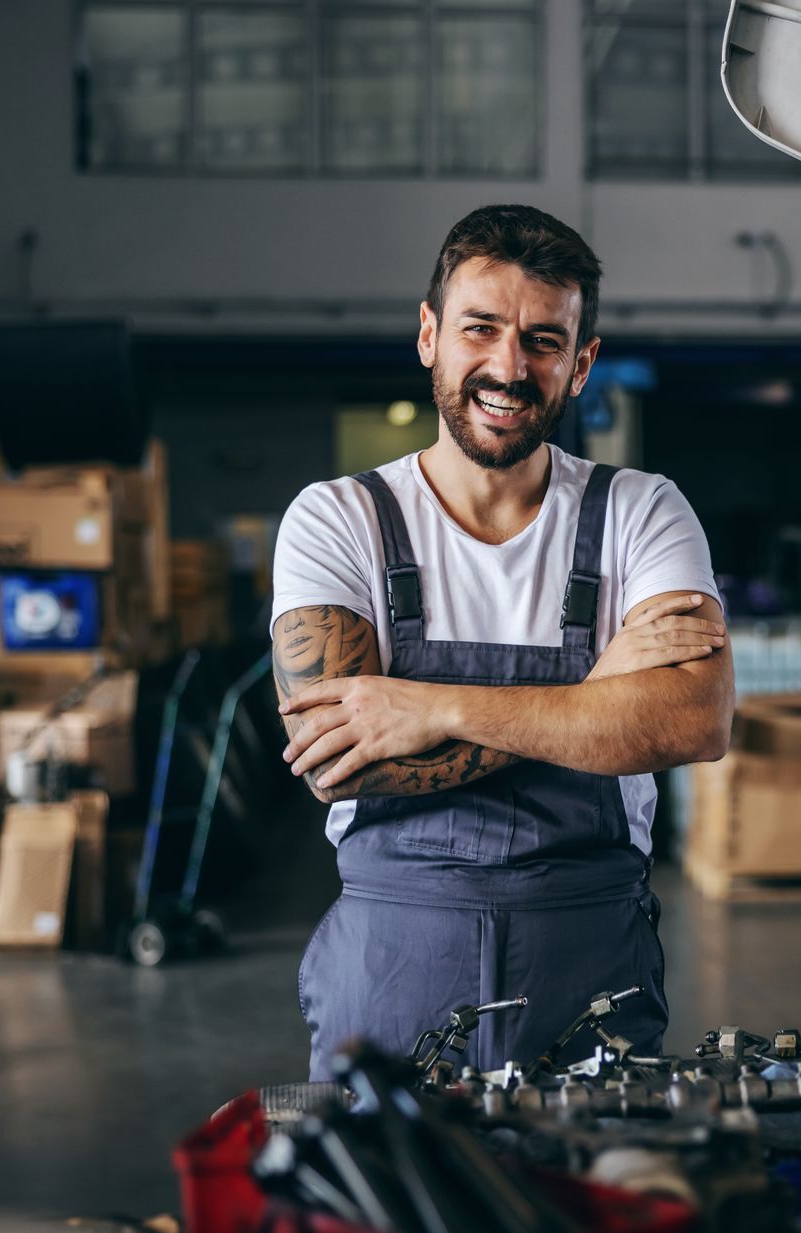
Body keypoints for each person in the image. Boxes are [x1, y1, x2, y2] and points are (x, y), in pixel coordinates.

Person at [269, 205, 734, 1079]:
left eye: (544, 340)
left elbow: (690, 722)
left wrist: (428, 705)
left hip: (590, 957)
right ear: (429, 336)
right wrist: (597, 700)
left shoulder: (641, 512)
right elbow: (339, 759)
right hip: (394, 960)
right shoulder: (338, 519)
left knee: (585, 1205)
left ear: (582, 363)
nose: (508, 367)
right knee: (387, 1203)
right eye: (480, 329)